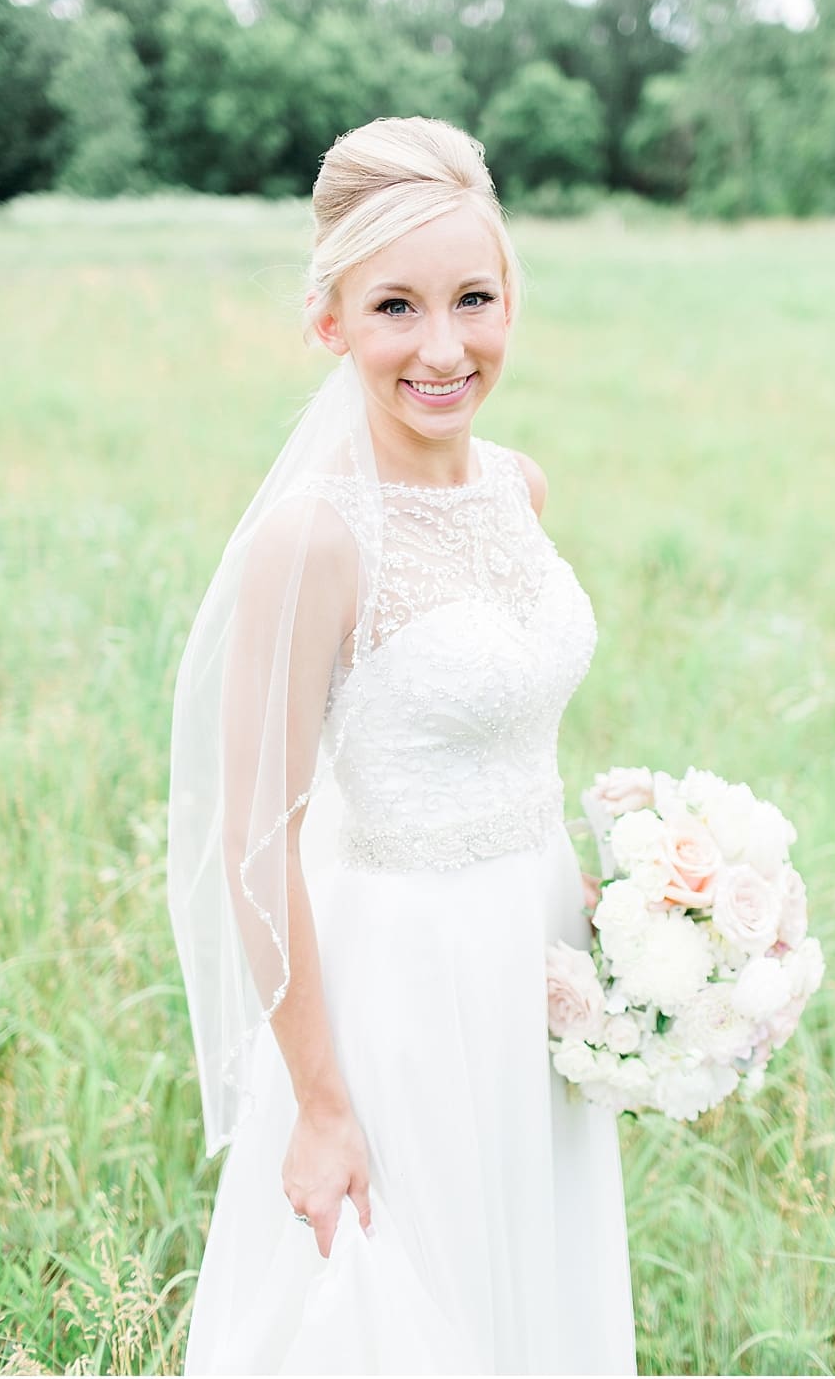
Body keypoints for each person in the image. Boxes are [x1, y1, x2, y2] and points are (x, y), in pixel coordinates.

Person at [168, 118, 636, 1374]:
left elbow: (510, 730)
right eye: (396, 307)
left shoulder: (519, 487)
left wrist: (628, 911)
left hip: (535, 960)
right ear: (331, 322)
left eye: (475, 298)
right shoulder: (314, 542)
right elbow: (253, 842)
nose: (445, 347)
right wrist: (323, 1103)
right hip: (403, 987)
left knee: (526, 1285)